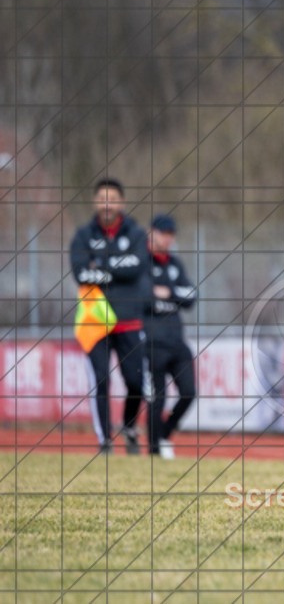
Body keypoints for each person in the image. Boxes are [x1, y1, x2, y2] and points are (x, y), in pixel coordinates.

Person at [69, 178, 150, 454]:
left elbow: (137, 266)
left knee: (136, 382)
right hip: (96, 323)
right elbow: (81, 273)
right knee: (101, 380)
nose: (107, 204)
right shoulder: (83, 235)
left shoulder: (136, 233)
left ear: (121, 202)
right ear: (95, 202)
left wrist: (101, 264)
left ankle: (129, 427)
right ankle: (105, 440)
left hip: (129, 321)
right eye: (102, 199)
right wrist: (116, 266)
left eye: (112, 199)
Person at [144, 214, 197, 459]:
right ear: (150, 232)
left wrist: (169, 292)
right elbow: (140, 296)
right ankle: (154, 449)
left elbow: (191, 296)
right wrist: (166, 295)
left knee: (188, 392)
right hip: (151, 343)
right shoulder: (140, 263)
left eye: (170, 234)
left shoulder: (174, 264)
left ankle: (165, 434)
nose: (167, 238)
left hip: (176, 341)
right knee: (157, 398)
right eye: (163, 233)